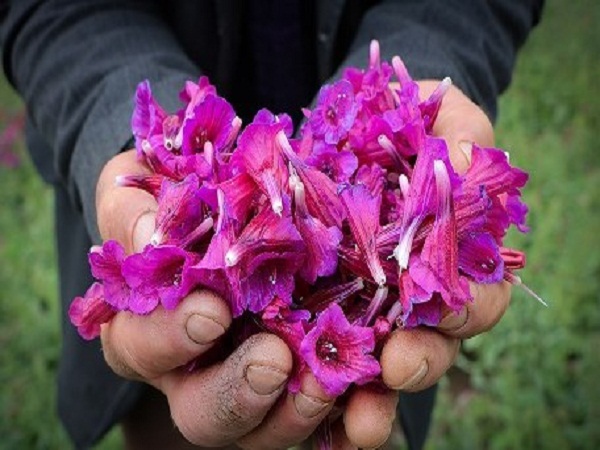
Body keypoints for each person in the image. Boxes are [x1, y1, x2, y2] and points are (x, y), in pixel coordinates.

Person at [0, 1, 544, 449]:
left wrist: (428, 61)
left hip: (361, 281)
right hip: (172, 364)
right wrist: (120, 130)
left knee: (363, 419)